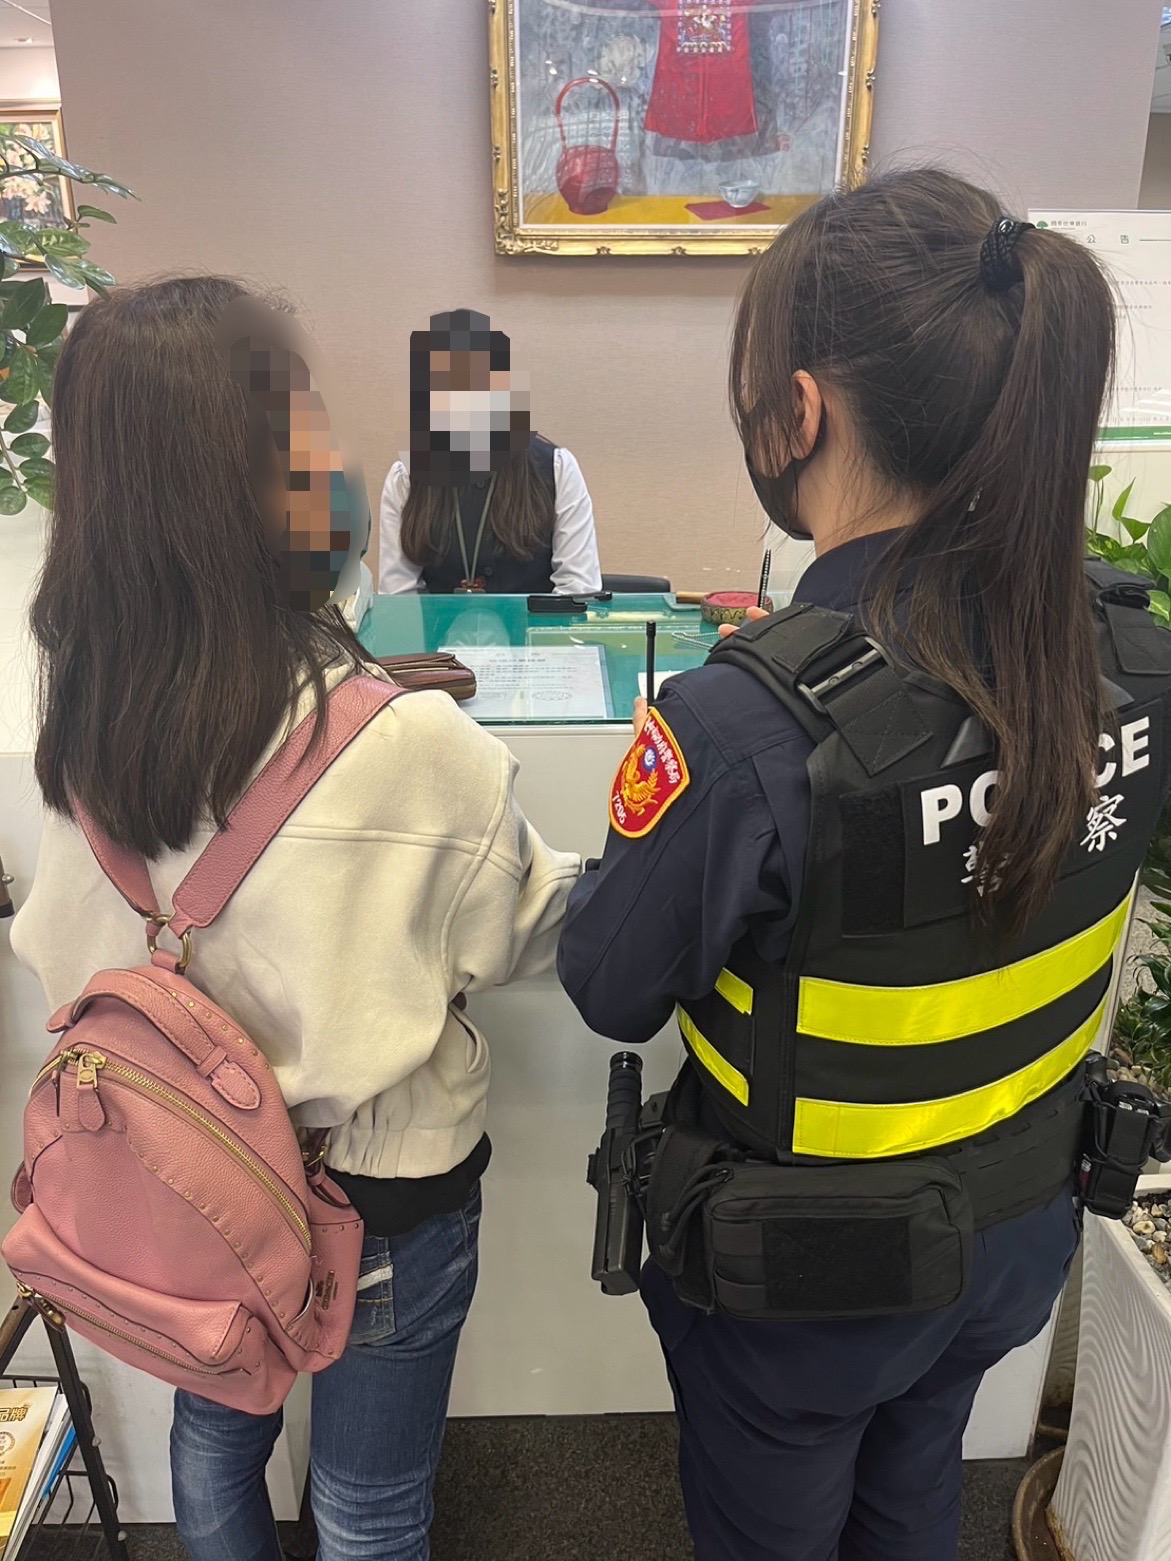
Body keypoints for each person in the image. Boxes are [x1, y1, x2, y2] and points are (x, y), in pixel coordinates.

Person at [558, 168, 1171, 1561]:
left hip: (805, 1284)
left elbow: (609, 983)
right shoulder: (1132, 657)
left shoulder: (745, 726)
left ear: (800, 409)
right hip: (1012, 1229)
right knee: (910, 1495)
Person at [11, 276, 581, 1561]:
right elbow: (526, 928)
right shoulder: (410, 744)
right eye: (308, 420)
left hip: (178, 1177)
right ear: (269, 475)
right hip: (377, 1195)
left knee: (215, 1436)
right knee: (368, 1503)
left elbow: (54, 948)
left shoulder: (82, 736)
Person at [378, 308, 602, 596]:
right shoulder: (405, 478)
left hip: (537, 627)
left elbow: (578, 589)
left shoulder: (557, 468)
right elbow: (398, 597)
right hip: (433, 628)